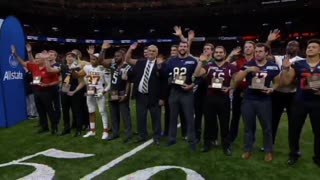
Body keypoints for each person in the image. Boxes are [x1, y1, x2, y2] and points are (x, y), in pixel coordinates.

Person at [234, 43, 280, 162]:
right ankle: (248, 149)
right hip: (248, 100)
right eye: (256, 51)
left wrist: (272, 89)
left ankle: (268, 151)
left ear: (266, 53)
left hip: (264, 100)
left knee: (267, 127)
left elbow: (278, 81)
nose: (257, 53)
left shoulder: (273, 66)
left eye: (260, 51)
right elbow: (237, 79)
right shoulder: (248, 64)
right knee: (249, 127)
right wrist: (248, 69)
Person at [281, 39, 320, 167]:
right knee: (294, 130)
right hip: (300, 102)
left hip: (317, 103)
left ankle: (318, 156)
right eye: (309, 47)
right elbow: (286, 82)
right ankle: (294, 154)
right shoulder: (298, 64)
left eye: (314, 47)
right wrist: (286, 69)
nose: (310, 49)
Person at [195, 46, 237, 155]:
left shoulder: (231, 66)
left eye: (220, 52)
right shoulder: (208, 66)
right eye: (217, 52)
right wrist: (200, 62)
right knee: (209, 123)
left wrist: (230, 87)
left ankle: (226, 146)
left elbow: (236, 79)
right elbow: (196, 74)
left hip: (224, 98)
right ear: (214, 54)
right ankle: (207, 144)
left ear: (224, 54)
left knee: (224, 124)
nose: (218, 54)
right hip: (210, 98)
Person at [125, 43, 167, 145]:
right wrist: (130, 49)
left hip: (154, 96)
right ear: (146, 52)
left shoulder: (161, 64)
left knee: (156, 118)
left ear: (157, 53)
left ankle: (157, 137)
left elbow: (164, 82)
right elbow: (127, 60)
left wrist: (162, 98)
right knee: (141, 117)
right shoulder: (140, 62)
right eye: (150, 50)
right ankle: (142, 135)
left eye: (153, 51)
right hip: (141, 95)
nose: (151, 52)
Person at [13, 46, 60, 134]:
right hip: (37, 91)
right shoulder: (34, 66)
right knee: (40, 110)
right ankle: (44, 127)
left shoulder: (49, 68)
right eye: (35, 58)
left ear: (43, 59)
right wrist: (16, 55)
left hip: (48, 92)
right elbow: (23, 63)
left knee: (50, 110)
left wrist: (47, 84)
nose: (36, 60)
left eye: (38, 58)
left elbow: (57, 81)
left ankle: (54, 128)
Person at [166, 41, 198, 151]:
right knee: (172, 117)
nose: (183, 48)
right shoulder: (171, 61)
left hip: (187, 93)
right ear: (178, 48)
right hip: (174, 92)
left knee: (189, 118)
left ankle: (192, 140)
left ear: (188, 48)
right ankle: (172, 138)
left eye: (185, 46)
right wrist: (170, 80)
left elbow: (200, 76)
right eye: (181, 46)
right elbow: (168, 76)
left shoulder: (193, 61)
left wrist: (192, 85)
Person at [46, 52, 86, 137]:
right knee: (65, 111)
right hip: (64, 89)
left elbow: (83, 82)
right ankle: (66, 129)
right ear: (66, 58)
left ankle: (78, 130)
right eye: (68, 56)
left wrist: (74, 91)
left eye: (72, 57)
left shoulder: (78, 68)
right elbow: (50, 70)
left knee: (77, 111)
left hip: (74, 91)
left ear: (75, 58)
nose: (70, 58)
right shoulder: (62, 66)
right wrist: (46, 59)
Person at [74, 52, 111, 140]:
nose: (92, 61)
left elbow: (109, 84)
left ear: (99, 60)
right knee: (91, 111)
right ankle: (92, 130)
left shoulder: (103, 68)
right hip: (90, 92)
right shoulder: (87, 67)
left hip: (100, 92)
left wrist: (103, 92)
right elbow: (78, 75)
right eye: (91, 59)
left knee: (102, 111)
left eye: (94, 59)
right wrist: (73, 70)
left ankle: (105, 131)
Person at [108, 50, 133, 143]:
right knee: (114, 115)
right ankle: (115, 133)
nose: (115, 57)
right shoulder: (113, 66)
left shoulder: (127, 67)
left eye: (118, 56)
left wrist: (126, 95)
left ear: (122, 56)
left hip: (122, 93)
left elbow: (128, 83)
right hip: (113, 93)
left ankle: (129, 135)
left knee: (125, 115)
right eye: (115, 56)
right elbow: (101, 61)